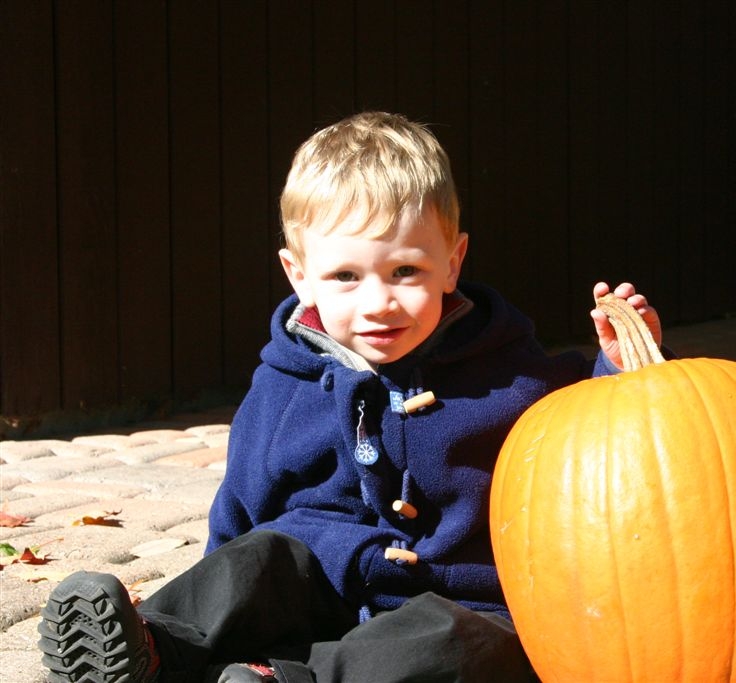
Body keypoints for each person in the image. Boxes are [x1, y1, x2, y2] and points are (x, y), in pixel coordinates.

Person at [37, 111, 664, 683]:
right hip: (324, 579)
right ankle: (155, 649)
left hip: (463, 598)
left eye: (406, 272)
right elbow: (242, 500)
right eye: (345, 277)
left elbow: (587, 437)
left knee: (450, 647)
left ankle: (281, 679)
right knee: (259, 560)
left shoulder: (506, 367)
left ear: (453, 261)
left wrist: (617, 361)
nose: (379, 302)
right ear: (297, 274)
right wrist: (225, 590)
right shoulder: (286, 379)